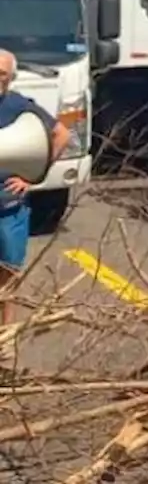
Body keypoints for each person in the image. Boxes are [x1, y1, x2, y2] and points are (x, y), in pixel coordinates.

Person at [0, 49, 69, 333]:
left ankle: (5, 340)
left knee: (7, 277)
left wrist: (34, 177)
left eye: (2, 73)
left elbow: (61, 134)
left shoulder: (19, 106)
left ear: (10, 78)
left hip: (8, 208)